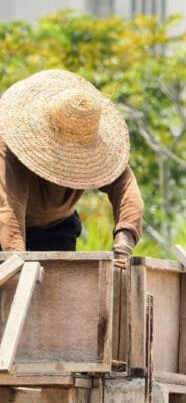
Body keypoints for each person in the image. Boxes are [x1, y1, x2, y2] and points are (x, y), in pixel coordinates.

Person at [0, 69, 144, 262]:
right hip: (5, 223)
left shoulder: (104, 152)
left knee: (58, 287)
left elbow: (126, 188)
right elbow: (9, 208)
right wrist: (17, 263)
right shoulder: (9, 145)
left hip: (56, 226)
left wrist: (124, 239)